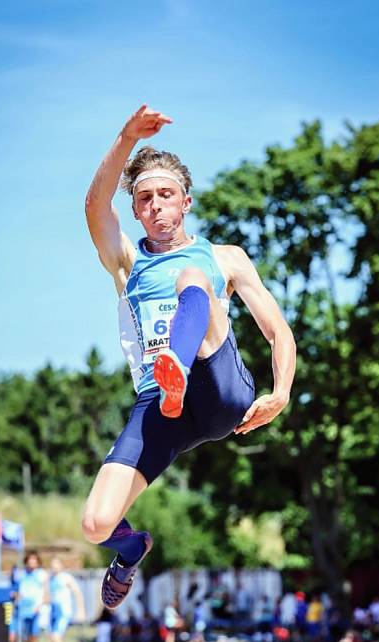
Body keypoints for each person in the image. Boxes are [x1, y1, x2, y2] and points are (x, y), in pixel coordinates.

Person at [82, 105, 296, 609]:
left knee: (192, 280)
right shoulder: (126, 260)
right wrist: (125, 138)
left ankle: (177, 363)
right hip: (160, 404)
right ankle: (132, 551)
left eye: (165, 195)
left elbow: (277, 331)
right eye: (144, 198)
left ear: (185, 203)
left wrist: (281, 392)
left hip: (219, 390)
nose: (155, 206)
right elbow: (94, 207)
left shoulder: (225, 257)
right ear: (135, 210)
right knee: (96, 523)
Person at [10, 551, 49, 642]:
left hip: (34, 613)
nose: (32, 563)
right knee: (14, 640)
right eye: (30, 560)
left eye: (34, 560)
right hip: (20, 612)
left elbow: (46, 596)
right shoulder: (20, 574)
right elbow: (14, 590)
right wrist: (16, 597)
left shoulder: (42, 575)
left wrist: (39, 606)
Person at [49, 557, 86, 642]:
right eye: (52, 565)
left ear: (61, 566)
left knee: (56, 638)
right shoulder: (51, 578)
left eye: (56, 565)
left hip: (63, 612)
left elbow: (77, 592)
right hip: (53, 612)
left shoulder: (66, 577)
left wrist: (81, 610)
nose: (54, 567)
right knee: (56, 640)